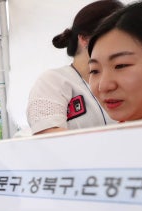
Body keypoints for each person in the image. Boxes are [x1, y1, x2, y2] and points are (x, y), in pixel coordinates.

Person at [26, 0, 123, 135]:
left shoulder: (125, 78)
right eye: (113, 34)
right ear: (84, 39)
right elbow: (48, 137)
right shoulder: (53, 81)